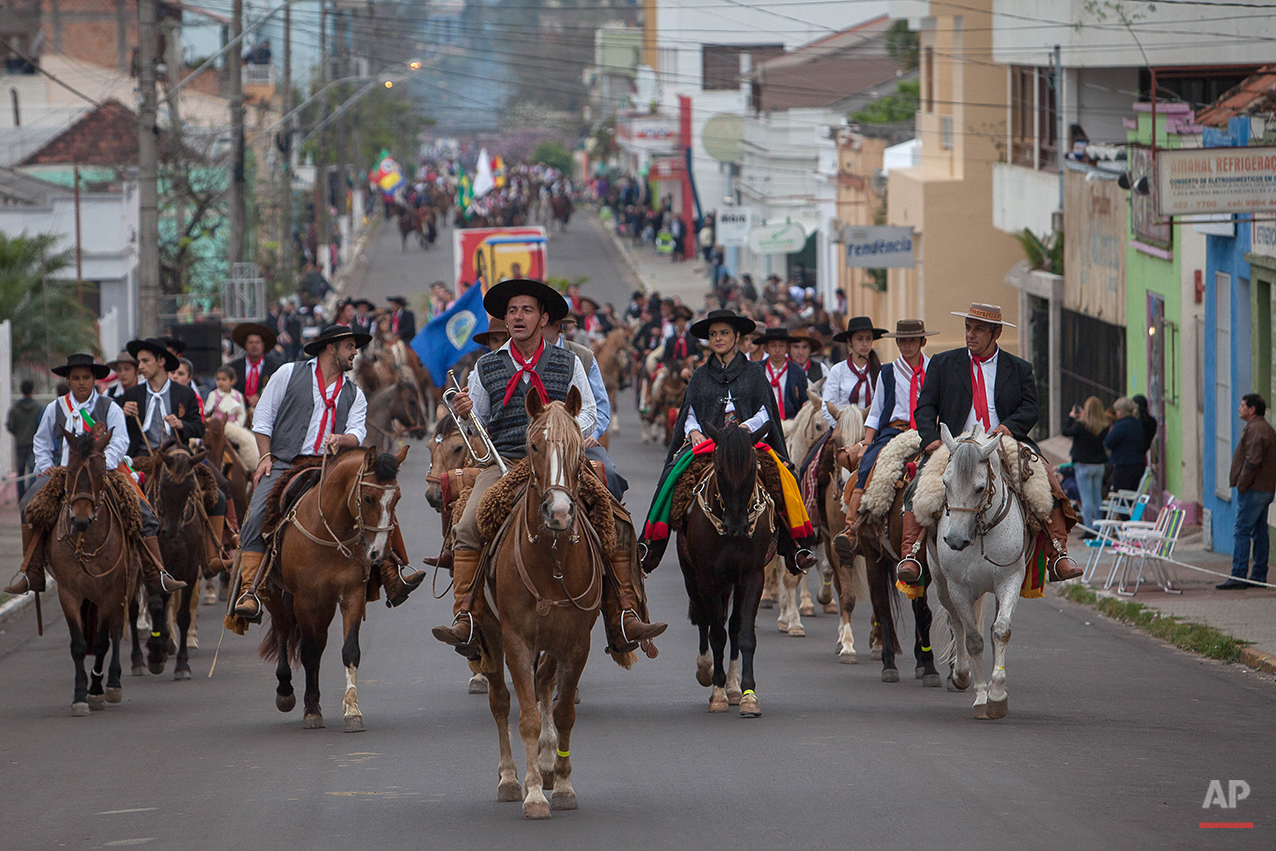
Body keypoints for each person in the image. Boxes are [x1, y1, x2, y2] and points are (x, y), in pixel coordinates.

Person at [431, 278, 664, 657]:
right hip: (506, 462)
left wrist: (565, 429)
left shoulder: (569, 361)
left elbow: (587, 410)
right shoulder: (486, 366)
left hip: (561, 464)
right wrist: (465, 412)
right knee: (467, 524)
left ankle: (623, 614)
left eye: (526, 310)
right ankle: (466, 617)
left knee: (615, 520)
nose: (517, 317)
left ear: (543, 319)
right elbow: (477, 422)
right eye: (511, 311)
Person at [229, 324, 422, 621]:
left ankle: (391, 574)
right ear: (330, 348)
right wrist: (266, 456)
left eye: (354, 348)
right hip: (285, 462)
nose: (354, 353)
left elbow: (357, 431)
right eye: (349, 347)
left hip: (330, 465)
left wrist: (343, 439)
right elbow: (263, 419)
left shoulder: (354, 393)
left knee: (377, 501)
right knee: (257, 514)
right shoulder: (288, 374)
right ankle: (250, 591)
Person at [896, 303, 1083, 584]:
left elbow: (1031, 408)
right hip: (955, 443)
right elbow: (925, 408)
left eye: (979, 330)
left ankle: (1058, 554)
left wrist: (1010, 427)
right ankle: (911, 554)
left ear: (995, 333)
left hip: (1002, 440)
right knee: (920, 483)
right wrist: (932, 440)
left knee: (1046, 481)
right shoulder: (943, 363)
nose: (970, 335)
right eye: (968, 328)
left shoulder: (1019, 368)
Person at [638, 308, 817, 576]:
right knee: (671, 475)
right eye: (713, 335)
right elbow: (689, 411)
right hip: (707, 442)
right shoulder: (699, 375)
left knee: (785, 474)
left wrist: (747, 427)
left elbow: (765, 411)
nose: (718, 338)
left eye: (724, 333)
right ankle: (651, 545)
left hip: (747, 441)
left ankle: (796, 546)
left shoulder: (755, 374)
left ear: (736, 336)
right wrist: (693, 431)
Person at [4, 354, 185, 597]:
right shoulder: (55, 408)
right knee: (28, 504)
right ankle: (32, 572)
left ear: (94, 379)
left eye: (86, 377)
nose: (81, 383)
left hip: (105, 470)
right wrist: (45, 465)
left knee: (141, 508)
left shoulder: (109, 407)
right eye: (76, 378)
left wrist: (104, 464)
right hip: (64, 473)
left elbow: (120, 440)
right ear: (68, 379)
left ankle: (155, 573)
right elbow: (42, 441)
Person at [833, 319, 931, 557]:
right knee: (869, 462)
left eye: (913, 340)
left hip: (928, 429)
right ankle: (853, 524)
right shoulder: (888, 371)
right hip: (894, 430)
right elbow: (876, 412)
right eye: (903, 341)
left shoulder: (934, 369)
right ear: (897, 343)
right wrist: (867, 443)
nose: (907, 345)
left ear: (922, 342)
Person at [546, 315, 627, 500]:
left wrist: (593, 433)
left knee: (611, 476)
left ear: (558, 326)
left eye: (546, 324)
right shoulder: (526, 354)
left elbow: (601, 404)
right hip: (538, 442)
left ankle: (613, 526)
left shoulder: (583, 356)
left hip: (580, 439)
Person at [1217, 393, 1276, 589]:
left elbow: (1252, 461)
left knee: (1242, 530)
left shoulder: (1256, 429)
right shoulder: (1260, 427)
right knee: (1259, 531)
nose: (1239, 408)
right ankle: (1259, 574)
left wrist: (1242, 483)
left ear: (1252, 409)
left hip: (1254, 488)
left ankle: (1239, 575)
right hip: (1263, 488)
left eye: (1243, 405)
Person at [821, 316, 885, 426]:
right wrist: (843, 428)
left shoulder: (882, 370)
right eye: (860, 339)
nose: (865, 344)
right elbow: (826, 407)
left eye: (869, 339)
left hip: (875, 429)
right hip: (843, 427)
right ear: (849, 341)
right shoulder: (838, 370)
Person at [1062, 396, 1109, 535]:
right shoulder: (1103, 426)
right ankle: (1099, 525)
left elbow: (1065, 431)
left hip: (1083, 464)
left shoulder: (1081, 425)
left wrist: (1071, 416)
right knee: (1097, 497)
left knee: (1086, 498)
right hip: (1099, 465)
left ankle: (1089, 527)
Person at [227, 322, 284, 411]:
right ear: (245, 345)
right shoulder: (232, 368)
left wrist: (261, 398)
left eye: (257, 342)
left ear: (263, 345)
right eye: (251, 342)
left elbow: (280, 391)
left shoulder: (275, 368)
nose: (254, 345)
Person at [758, 327, 808, 421]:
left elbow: (804, 398)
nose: (777, 350)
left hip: (791, 422)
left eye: (781, 346)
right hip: (763, 421)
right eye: (773, 346)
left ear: (787, 348)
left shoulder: (798, 372)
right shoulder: (757, 369)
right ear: (766, 348)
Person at [6, 379, 41, 500]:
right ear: (32, 391)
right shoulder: (37, 408)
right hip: (33, 443)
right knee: (32, 471)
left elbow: (10, 425)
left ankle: (21, 496)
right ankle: (30, 496)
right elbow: (41, 425)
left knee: (20, 472)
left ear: (21, 391)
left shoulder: (15, 408)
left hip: (20, 443)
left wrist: (18, 433)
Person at [1104, 397, 1146, 492]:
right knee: (1132, 492)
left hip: (1124, 465)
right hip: (1138, 463)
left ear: (1121, 411)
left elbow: (1109, 442)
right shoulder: (1137, 423)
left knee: (1121, 494)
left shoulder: (1120, 425)